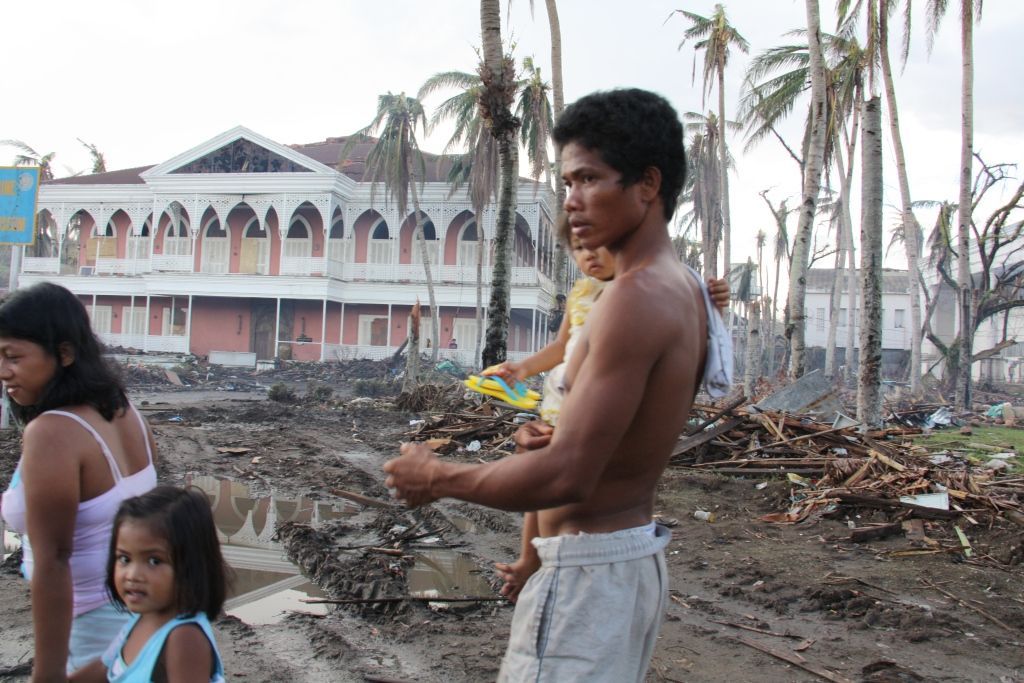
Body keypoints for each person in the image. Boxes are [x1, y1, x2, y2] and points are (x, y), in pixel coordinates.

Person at [384, 88, 710, 681]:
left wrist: (438, 478)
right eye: (567, 183)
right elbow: (611, 444)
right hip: (624, 561)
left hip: (586, 578)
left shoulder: (633, 299)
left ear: (647, 184)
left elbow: (569, 477)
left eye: (589, 179)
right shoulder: (680, 287)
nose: (572, 202)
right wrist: (559, 438)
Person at [483, 225, 730, 602]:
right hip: (560, 402)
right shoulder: (581, 293)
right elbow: (561, 346)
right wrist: (522, 368)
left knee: (569, 489)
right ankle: (528, 559)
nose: (590, 256)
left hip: (598, 408)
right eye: (581, 249)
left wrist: (712, 299)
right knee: (538, 475)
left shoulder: (640, 291)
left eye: (601, 247)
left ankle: (556, 565)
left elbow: (687, 312)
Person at [0, 282, 158, 676]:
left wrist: (47, 673)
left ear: (64, 353)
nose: (3, 373)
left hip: (88, 626)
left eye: (13, 357)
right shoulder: (124, 411)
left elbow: (54, 559)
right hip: (136, 615)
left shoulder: (53, 432)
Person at [70, 486, 228, 682]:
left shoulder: (184, 638)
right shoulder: (140, 618)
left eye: (154, 561)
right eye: (125, 559)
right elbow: (107, 668)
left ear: (192, 566)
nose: (133, 575)